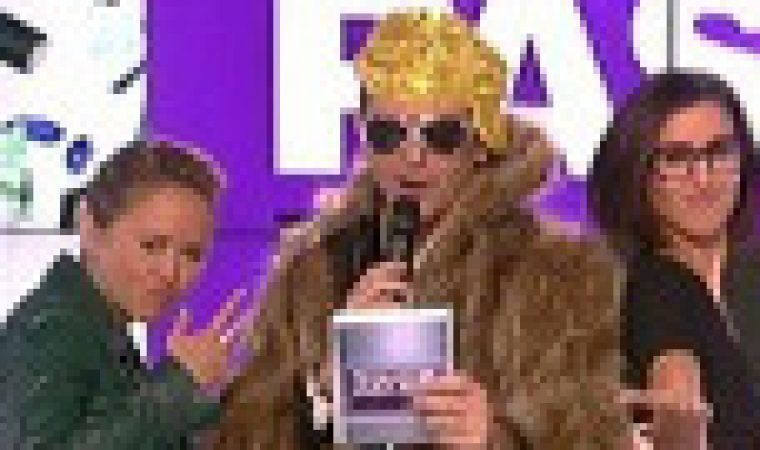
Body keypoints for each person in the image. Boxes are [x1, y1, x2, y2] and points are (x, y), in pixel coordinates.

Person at [210, 9, 627, 449]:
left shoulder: (558, 273)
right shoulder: (313, 268)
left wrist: (494, 438)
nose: (412, 158)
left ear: (480, 145)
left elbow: (594, 436)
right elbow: (243, 434)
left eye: (440, 136)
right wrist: (326, 388)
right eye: (388, 134)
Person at [588, 70, 760, 449]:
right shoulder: (635, 286)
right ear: (636, 171)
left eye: (719, 152)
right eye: (676, 158)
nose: (702, 178)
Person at [0, 141, 257, 449]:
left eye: (192, 254)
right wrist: (178, 388)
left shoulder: (100, 327)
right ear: (90, 227)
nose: (170, 272)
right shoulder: (51, 331)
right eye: (152, 246)